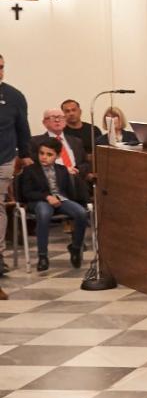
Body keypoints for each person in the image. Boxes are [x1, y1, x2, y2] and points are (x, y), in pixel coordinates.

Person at [19, 137, 88, 271]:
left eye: (49, 154)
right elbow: (27, 192)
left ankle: (75, 247)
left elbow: (67, 191)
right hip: (39, 201)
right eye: (41, 153)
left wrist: (67, 200)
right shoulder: (30, 170)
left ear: (57, 156)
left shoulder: (62, 169)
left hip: (60, 200)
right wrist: (47, 197)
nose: (44, 157)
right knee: (44, 214)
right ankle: (43, 256)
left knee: (81, 212)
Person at [0, 54, 30, 278]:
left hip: (4, 158)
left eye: (1, 67)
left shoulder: (14, 96)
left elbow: (22, 128)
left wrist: (25, 154)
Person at [32, 108, 89, 180]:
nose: (57, 120)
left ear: (65, 121)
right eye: (53, 117)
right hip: (50, 180)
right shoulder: (35, 142)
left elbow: (85, 163)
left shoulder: (76, 141)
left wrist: (77, 170)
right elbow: (35, 165)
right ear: (44, 122)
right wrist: (63, 171)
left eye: (60, 117)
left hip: (76, 179)